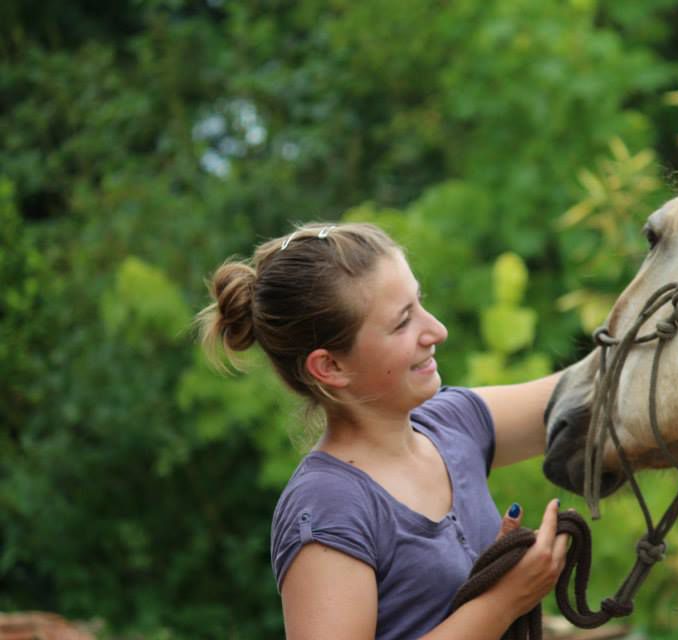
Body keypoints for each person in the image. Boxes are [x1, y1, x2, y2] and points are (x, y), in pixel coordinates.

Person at [196, 221, 568, 639]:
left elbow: (593, 396)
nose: (437, 331)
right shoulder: (328, 506)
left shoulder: (453, 423)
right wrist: (504, 601)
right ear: (330, 366)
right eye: (402, 322)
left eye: (420, 302)